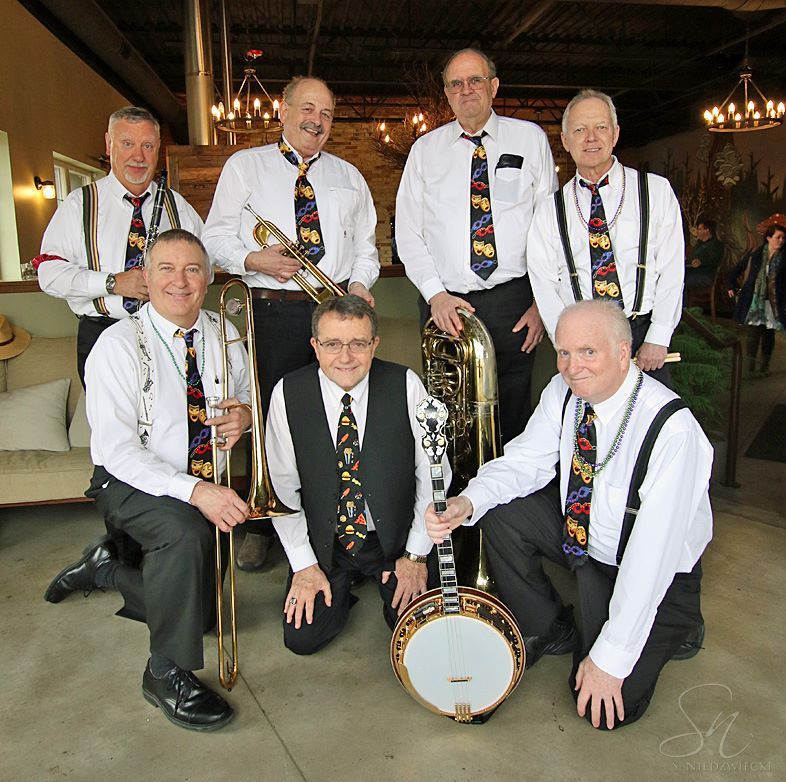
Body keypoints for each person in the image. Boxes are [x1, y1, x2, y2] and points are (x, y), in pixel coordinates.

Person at [426, 299, 712, 730]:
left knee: (607, 708)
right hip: (585, 544)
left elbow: (652, 557)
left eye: (587, 352)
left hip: (652, 571)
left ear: (622, 351)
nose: (572, 366)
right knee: (497, 511)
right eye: (563, 352)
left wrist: (609, 663)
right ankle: (548, 623)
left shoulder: (673, 429)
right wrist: (467, 501)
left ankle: (679, 625)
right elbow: (525, 461)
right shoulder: (564, 393)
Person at [44, 230, 252, 732]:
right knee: (185, 535)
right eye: (166, 269)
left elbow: (245, 393)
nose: (180, 281)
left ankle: (109, 570)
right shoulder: (116, 345)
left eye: (192, 270)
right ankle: (164, 673)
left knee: (198, 616)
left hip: (205, 477)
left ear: (207, 279)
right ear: (146, 276)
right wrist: (197, 492)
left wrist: (243, 415)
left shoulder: (225, 334)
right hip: (130, 481)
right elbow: (116, 452)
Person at [203, 76, 380, 569]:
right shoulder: (246, 166)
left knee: (334, 415)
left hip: (334, 310)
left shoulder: (349, 176)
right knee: (268, 418)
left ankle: (331, 518)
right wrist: (255, 260)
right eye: (307, 109)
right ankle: (264, 521)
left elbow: (367, 249)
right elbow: (213, 237)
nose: (315, 121)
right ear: (282, 111)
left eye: (325, 114)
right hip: (272, 308)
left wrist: (362, 285)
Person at [265, 295, 450, 654]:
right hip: (327, 543)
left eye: (358, 344)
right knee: (303, 639)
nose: (346, 357)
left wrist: (415, 556)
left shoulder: (406, 384)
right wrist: (304, 564)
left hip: (392, 540)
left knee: (420, 637)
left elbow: (433, 475)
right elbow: (281, 486)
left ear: (374, 344)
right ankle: (342, 586)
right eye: (333, 344)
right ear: (315, 346)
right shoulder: (288, 393)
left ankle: (379, 578)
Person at [395, 48, 557, 444]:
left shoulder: (530, 139)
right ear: (447, 94)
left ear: (494, 86)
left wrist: (541, 302)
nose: (466, 89)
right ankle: (453, 499)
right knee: (449, 414)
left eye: (476, 80)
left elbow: (549, 228)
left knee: (514, 407)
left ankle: (507, 503)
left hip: (515, 300)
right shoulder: (425, 151)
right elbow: (407, 230)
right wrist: (435, 295)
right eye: (456, 83)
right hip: (445, 303)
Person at [36, 106, 204, 386]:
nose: (138, 156)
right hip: (103, 333)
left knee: (171, 425)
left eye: (147, 146)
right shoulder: (80, 204)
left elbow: (206, 263)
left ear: (158, 149)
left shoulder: (177, 205)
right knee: (114, 428)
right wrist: (113, 283)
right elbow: (49, 275)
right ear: (109, 144)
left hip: (167, 335)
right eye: (127, 144)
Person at [527, 89, 684, 387]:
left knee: (649, 429)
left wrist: (659, 337)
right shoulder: (549, 210)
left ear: (615, 134)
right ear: (565, 141)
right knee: (588, 430)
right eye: (579, 129)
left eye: (600, 127)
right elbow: (545, 285)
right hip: (582, 342)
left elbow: (672, 270)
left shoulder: (656, 192)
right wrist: (569, 346)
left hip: (642, 335)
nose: (590, 138)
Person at [727, 223, 786, 377]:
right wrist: (731, 286)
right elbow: (736, 270)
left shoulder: (784, 257)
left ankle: (764, 366)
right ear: (768, 238)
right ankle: (750, 366)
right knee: (753, 334)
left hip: (774, 304)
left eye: (783, 238)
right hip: (755, 302)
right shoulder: (756, 254)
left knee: (768, 335)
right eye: (777, 237)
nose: (781, 241)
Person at [685, 219, 724, 293]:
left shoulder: (716, 245)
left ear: (707, 230)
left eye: (699, 229)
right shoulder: (699, 244)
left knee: (682, 280)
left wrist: (701, 262)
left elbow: (714, 260)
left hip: (706, 275)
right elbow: (691, 257)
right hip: (694, 272)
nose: (697, 231)